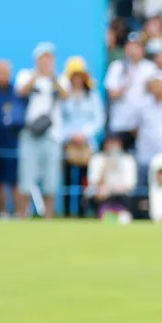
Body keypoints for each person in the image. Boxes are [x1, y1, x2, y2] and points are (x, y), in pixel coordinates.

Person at [14, 43, 65, 219]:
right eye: (44, 57)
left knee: (51, 180)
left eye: (50, 57)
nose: (47, 61)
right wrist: (37, 74)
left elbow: (66, 94)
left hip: (53, 135)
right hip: (30, 134)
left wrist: (52, 77)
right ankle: (23, 216)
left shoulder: (59, 78)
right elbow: (21, 91)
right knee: (26, 178)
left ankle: (48, 218)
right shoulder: (26, 75)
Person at [58, 57, 106, 218]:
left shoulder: (92, 95)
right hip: (68, 142)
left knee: (85, 179)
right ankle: (66, 212)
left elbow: (98, 118)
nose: (77, 80)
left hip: (87, 143)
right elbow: (60, 118)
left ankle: (82, 212)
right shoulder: (64, 95)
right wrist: (70, 135)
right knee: (67, 179)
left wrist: (85, 134)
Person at [0, 59, 23, 218]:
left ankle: (19, 212)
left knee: (15, 180)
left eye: (5, 72)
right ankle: (2, 212)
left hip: (13, 141)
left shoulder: (17, 93)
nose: (2, 75)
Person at [87, 132, 139, 219]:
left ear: (120, 144)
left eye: (114, 143)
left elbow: (130, 184)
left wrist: (111, 189)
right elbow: (93, 182)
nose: (111, 146)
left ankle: (121, 214)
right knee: (98, 194)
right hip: (101, 195)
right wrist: (106, 167)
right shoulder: (97, 159)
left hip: (121, 196)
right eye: (109, 143)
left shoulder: (128, 160)